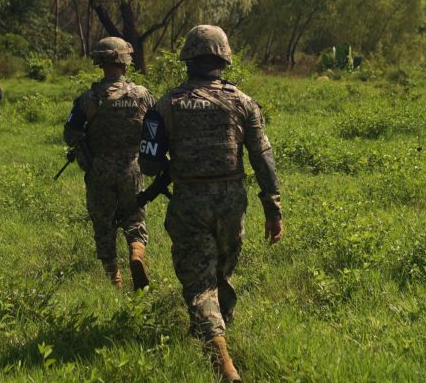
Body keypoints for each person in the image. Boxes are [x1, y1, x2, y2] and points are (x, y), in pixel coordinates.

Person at [138, 25, 283, 382]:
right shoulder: (245, 103)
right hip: (233, 204)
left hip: (189, 202)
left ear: (188, 57)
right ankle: (216, 328)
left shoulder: (165, 105)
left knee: (199, 281)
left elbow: (148, 163)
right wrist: (273, 207)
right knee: (220, 271)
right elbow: (263, 158)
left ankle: (221, 356)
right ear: (223, 58)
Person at [63, 37, 155, 291]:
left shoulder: (87, 98)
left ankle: (114, 279)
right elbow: (155, 129)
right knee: (134, 217)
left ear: (100, 62)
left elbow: (70, 135)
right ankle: (136, 252)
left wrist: (86, 151)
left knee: (103, 224)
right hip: (132, 167)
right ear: (125, 62)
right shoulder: (142, 95)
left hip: (99, 169)